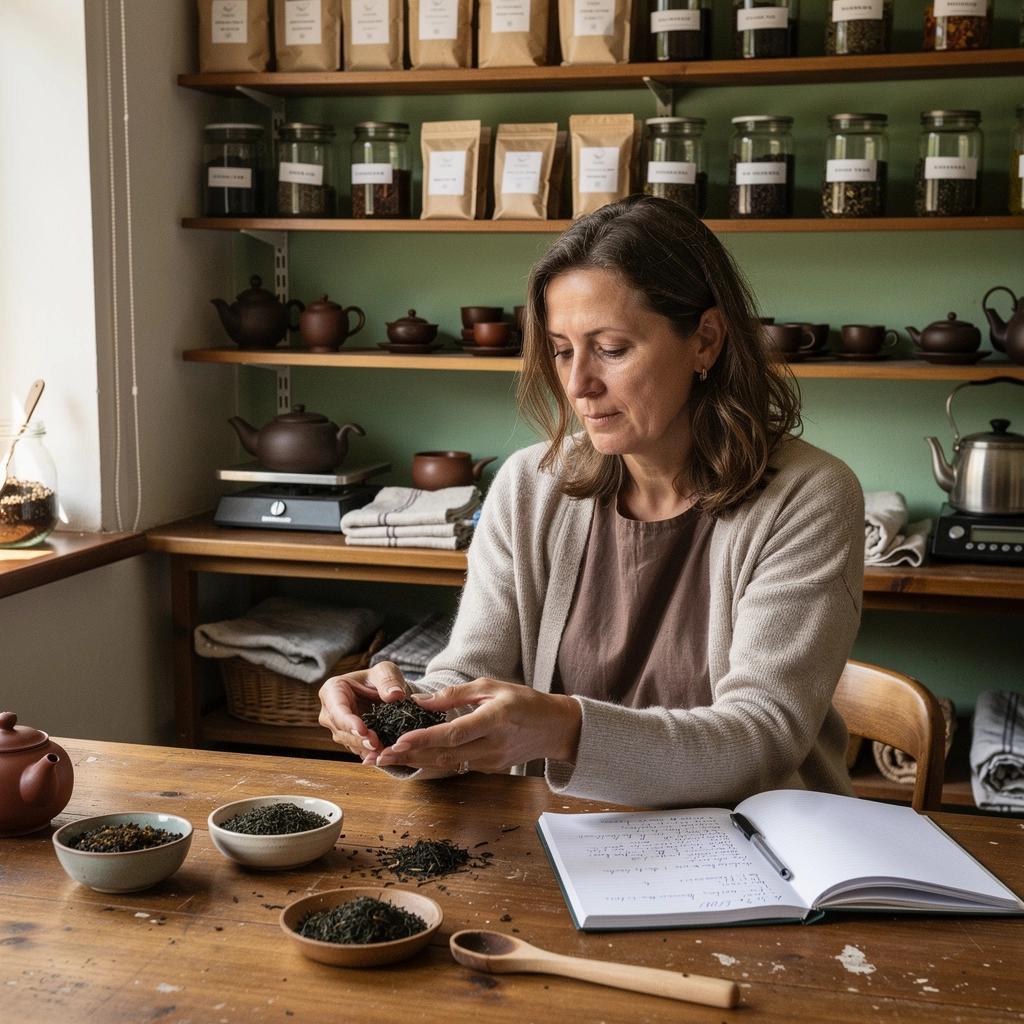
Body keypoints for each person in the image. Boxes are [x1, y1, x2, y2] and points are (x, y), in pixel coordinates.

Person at [319, 195, 864, 808]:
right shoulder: (530, 486)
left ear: (705, 340)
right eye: (561, 349)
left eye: (611, 348)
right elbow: (469, 674)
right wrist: (400, 713)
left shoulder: (808, 496)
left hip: (763, 852)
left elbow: (762, 740)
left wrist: (563, 727)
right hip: (565, 841)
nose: (578, 385)